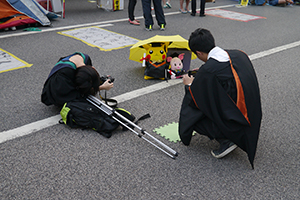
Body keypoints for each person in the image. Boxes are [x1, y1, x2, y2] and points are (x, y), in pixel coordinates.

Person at [179, 28, 262, 168]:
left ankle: (226, 139)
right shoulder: (239, 54)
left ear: (198, 53)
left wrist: (189, 85)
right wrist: (205, 70)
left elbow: (197, 99)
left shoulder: (209, 71)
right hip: (252, 115)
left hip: (236, 121)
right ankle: (232, 132)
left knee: (194, 115)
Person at [41, 52, 113, 107]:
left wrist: (98, 80)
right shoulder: (63, 73)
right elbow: (70, 95)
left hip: (67, 81)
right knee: (80, 101)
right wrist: (100, 88)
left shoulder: (86, 58)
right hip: (57, 92)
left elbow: (87, 77)